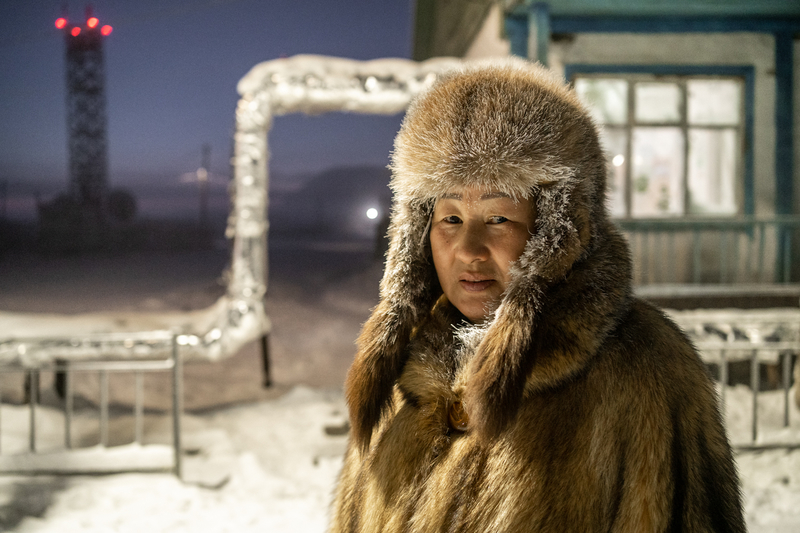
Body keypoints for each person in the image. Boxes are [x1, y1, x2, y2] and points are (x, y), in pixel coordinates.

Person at [329, 59, 745, 532]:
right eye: (450, 219)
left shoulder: (645, 371)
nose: (468, 250)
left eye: (499, 218)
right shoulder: (404, 371)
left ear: (557, 232)